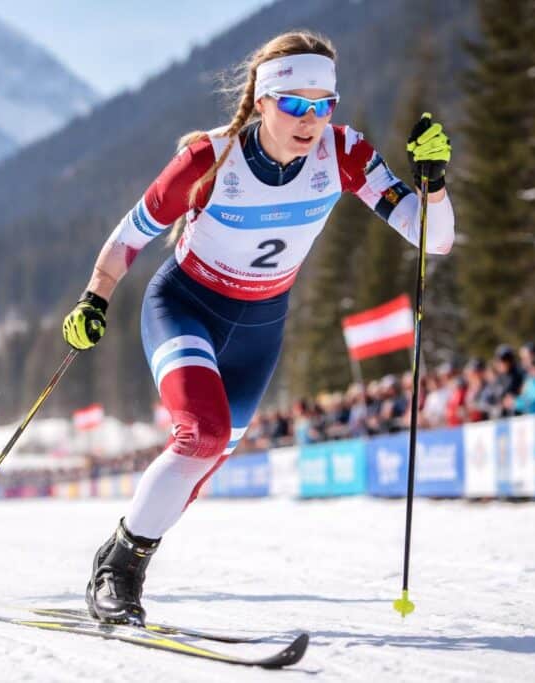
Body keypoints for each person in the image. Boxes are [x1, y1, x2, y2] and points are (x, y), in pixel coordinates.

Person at [61, 30, 454, 625]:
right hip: (186, 305)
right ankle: (121, 573)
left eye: (324, 104)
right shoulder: (210, 158)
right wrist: (95, 299)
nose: (310, 119)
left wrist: (434, 184)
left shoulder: (343, 153)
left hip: (261, 326)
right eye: (295, 103)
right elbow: (127, 238)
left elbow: (435, 236)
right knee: (203, 433)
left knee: (205, 460)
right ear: (264, 100)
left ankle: (116, 552)